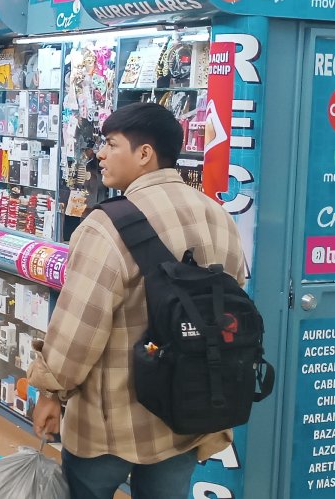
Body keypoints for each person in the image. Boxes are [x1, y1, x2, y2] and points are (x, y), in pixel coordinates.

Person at [29, 103, 247, 499]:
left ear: (144, 153)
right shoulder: (218, 217)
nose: (100, 154)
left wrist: (49, 392)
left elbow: (79, 329)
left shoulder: (106, 224)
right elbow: (231, 306)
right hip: (185, 410)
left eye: (112, 144)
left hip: (110, 424)